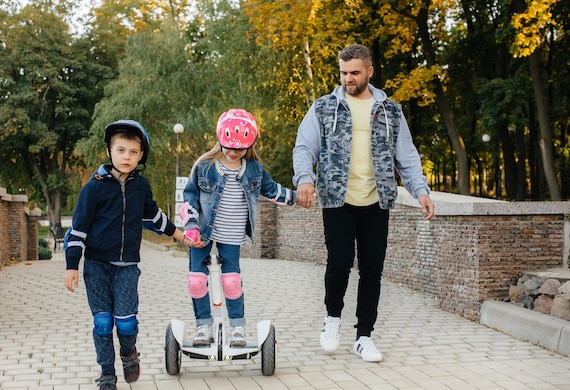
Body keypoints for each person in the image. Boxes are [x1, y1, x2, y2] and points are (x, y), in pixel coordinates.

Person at [292, 44, 435, 362]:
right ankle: (332, 321)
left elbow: (407, 156)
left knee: (372, 270)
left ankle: (364, 336)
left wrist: (420, 191)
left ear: (369, 71)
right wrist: (304, 179)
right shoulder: (324, 107)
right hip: (336, 199)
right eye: (343, 73)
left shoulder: (390, 111)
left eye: (354, 73)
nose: (348, 79)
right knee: (339, 262)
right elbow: (305, 147)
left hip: (377, 200)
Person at [63, 120, 200, 390]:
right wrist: (71, 266)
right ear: (110, 151)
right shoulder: (94, 188)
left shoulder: (141, 186)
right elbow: (78, 229)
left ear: (141, 156)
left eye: (133, 152)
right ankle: (107, 374)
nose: (127, 157)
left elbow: (154, 218)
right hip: (96, 267)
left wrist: (182, 236)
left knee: (125, 322)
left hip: (127, 268)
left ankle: (129, 352)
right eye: (121, 150)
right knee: (103, 323)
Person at [180, 108, 296, 347]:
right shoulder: (204, 166)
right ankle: (203, 326)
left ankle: (238, 327)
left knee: (231, 282)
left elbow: (273, 191)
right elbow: (189, 197)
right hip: (202, 232)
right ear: (220, 141)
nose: (234, 153)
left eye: (240, 148)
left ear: (249, 145)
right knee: (196, 281)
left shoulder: (253, 169)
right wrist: (190, 226)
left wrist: (299, 197)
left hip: (231, 235)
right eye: (229, 147)